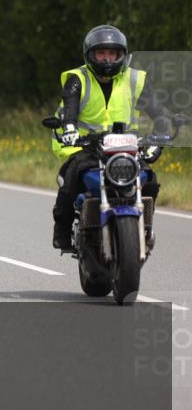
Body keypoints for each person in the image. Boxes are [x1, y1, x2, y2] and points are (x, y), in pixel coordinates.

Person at [49, 24, 164, 250]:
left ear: (122, 55)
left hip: (125, 146)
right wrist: (70, 129)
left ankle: (145, 226)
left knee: (149, 179)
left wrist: (160, 137)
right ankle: (61, 229)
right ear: (90, 55)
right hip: (86, 146)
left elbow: (158, 112)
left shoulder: (134, 79)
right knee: (71, 177)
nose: (108, 59)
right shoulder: (77, 79)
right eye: (102, 53)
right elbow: (69, 109)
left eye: (113, 53)